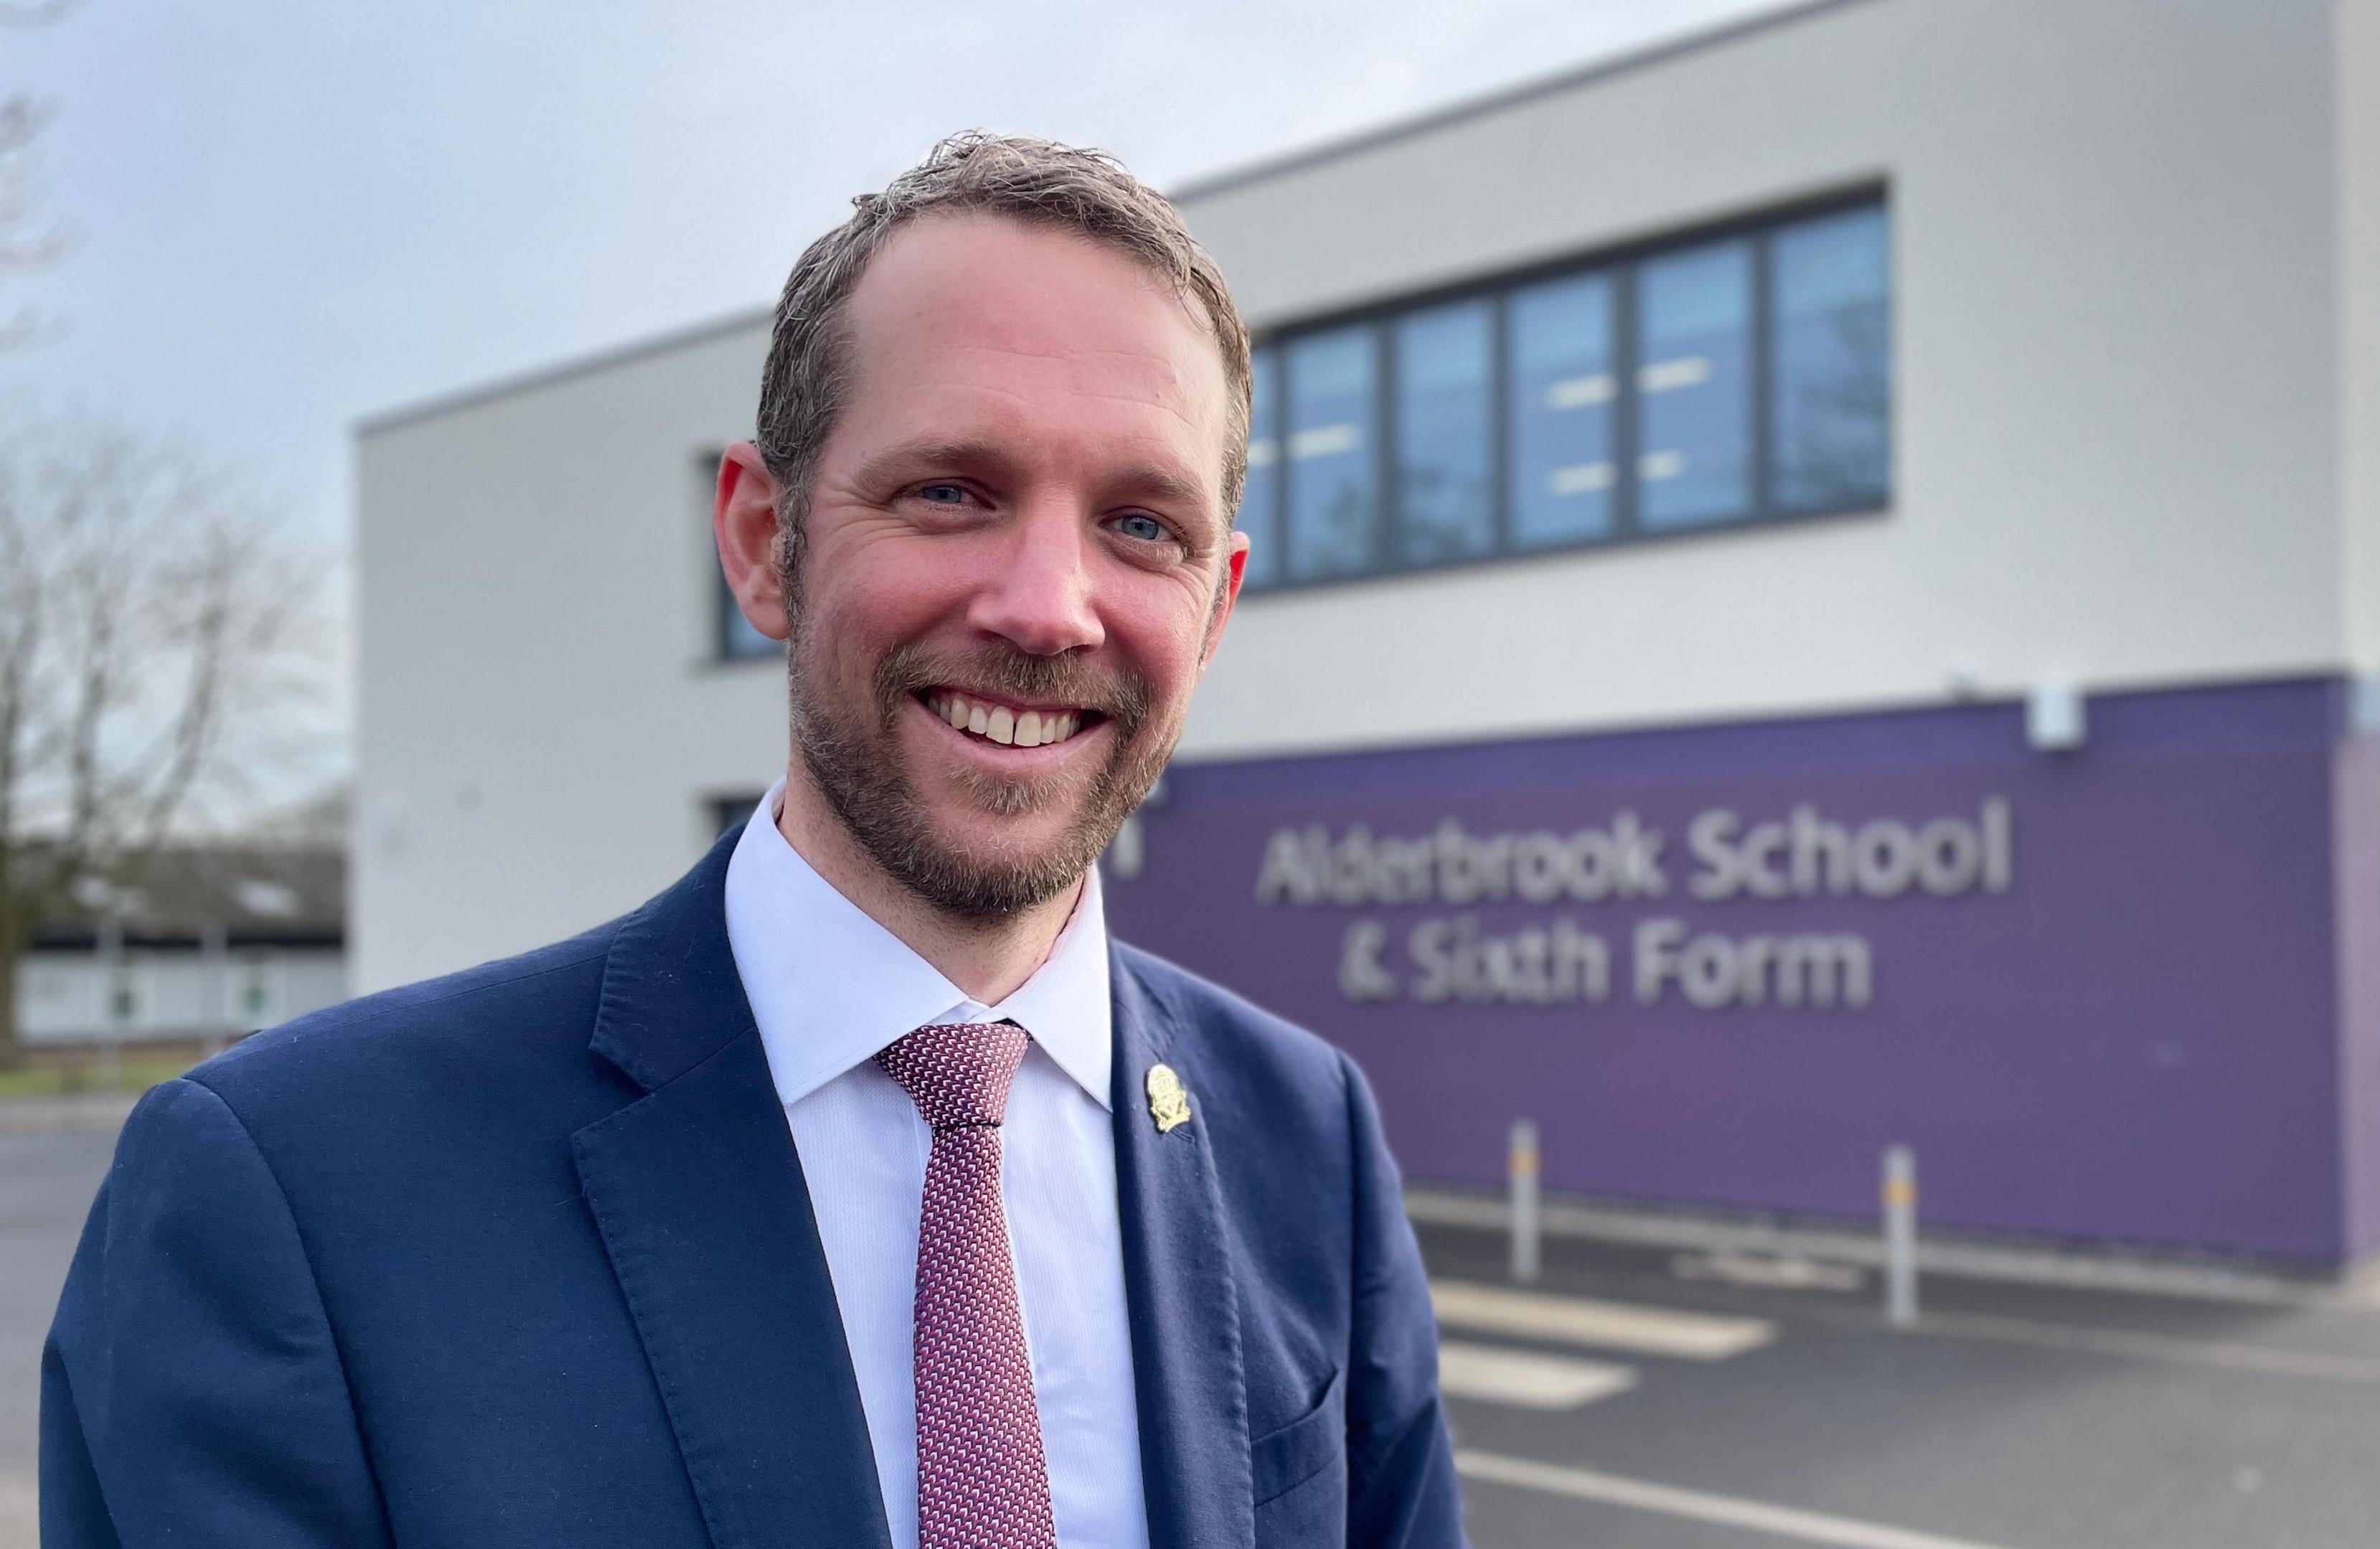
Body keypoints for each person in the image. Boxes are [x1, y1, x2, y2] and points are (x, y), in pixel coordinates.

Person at [42, 133, 1465, 1549]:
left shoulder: (1302, 1135)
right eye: (952, 491)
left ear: (1214, 610)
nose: (1048, 606)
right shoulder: (296, 1190)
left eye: (1139, 523)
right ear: (761, 540)